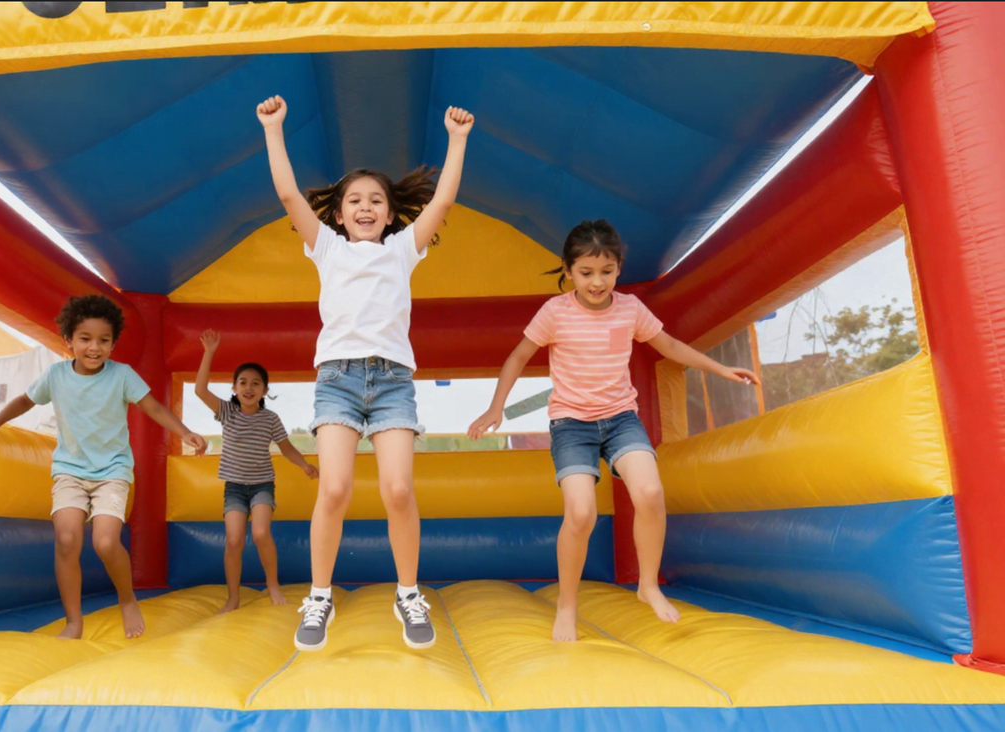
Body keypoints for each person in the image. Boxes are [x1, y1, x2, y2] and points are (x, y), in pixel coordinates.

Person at [468, 220, 759, 642]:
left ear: (618, 268)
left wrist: (720, 369)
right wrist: (497, 407)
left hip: (621, 419)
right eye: (586, 273)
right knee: (582, 512)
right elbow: (518, 356)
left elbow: (670, 346)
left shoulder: (630, 309)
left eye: (606, 271)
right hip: (571, 424)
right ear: (568, 271)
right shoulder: (555, 313)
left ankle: (648, 585)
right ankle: (567, 607)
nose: (597, 281)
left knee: (650, 493)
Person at [256, 94, 474, 651]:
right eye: (355, 199)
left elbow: (443, 200)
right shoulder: (326, 247)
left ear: (390, 212)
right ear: (338, 213)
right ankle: (319, 596)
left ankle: (408, 593)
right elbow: (286, 193)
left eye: (377, 199)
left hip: (394, 381)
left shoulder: (403, 249)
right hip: (339, 380)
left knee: (399, 489)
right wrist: (274, 129)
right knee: (334, 488)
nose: (366, 206)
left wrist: (456, 141)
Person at [0, 294, 207, 639]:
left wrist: (185, 432)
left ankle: (127, 599)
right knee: (67, 539)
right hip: (70, 471)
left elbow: (154, 408)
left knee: (106, 542)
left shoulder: (121, 376)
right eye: (85, 339)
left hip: (112, 472)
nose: (94, 348)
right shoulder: (55, 375)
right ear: (68, 340)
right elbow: (25, 400)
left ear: (113, 344)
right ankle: (74, 621)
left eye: (104, 340)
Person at [194, 328, 319, 614]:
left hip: (262, 484)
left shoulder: (270, 418)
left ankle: (272, 584)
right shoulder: (227, 412)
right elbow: (200, 390)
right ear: (234, 388)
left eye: (256, 383)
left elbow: (286, 448)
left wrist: (304, 465)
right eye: (243, 382)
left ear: (265, 390)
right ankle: (233, 597)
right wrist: (209, 352)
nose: (249, 387)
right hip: (235, 487)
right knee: (234, 539)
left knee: (261, 533)